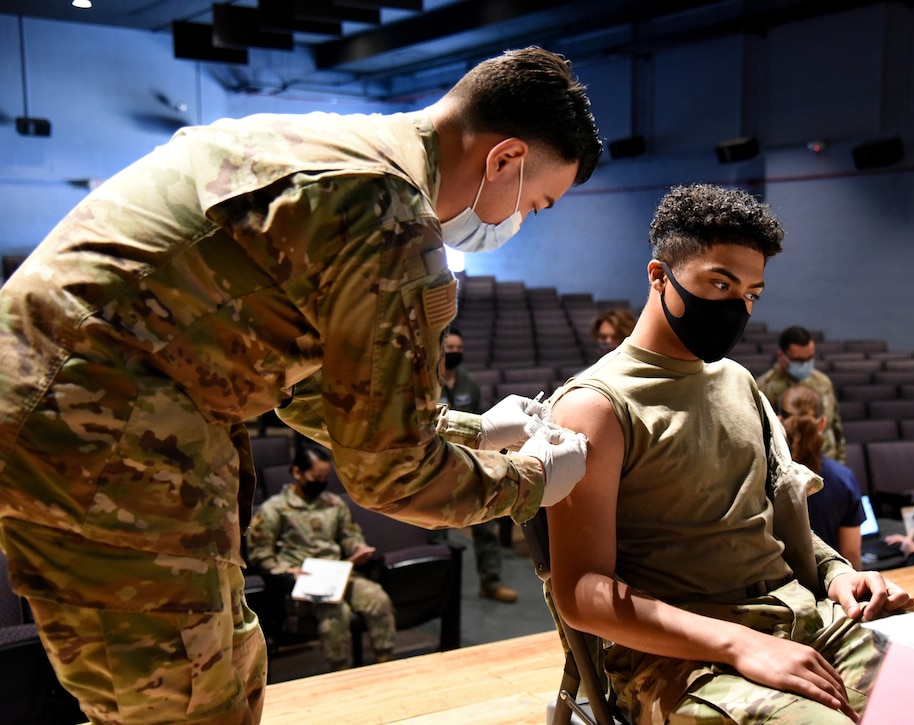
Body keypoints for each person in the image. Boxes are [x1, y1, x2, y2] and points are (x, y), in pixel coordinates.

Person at [0, 46, 598, 724]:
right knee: (187, 700)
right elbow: (390, 476)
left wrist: (477, 429)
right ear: (504, 160)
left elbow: (312, 387)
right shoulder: (392, 214)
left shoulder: (327, 143)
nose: (522, 220)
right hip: (101, 426)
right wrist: (530, 480)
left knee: (210, 665)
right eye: (538, 203)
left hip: (86, 401)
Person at [547, 184, 914, 725]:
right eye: (719, 283)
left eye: (751, 293)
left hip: (800, 619)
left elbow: (767, 521)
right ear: (659, 276)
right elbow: (581, 593)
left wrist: (837, 574)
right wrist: (738, 644)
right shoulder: (595, 406)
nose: (736, 307)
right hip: (681, 654)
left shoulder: (739, 381)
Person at [247, 445, 396, 669]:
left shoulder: (334, 503)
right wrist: (288, 571)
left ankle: (385, 663)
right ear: (297, 473)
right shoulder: (274, 510)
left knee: (377, 598)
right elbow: (260, 554)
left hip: (338, 573)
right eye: (316, 477)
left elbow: (349, 535)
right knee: (336, 612)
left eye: (325, 477)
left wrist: (358, 548)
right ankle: (340, 673)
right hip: (303, 581)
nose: (321, 482)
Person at [438, 326, 517, 603]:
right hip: (435, 466)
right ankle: (441, 593)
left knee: (485, 523)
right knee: (438, 531)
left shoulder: (468, 383)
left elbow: (480, 424)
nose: (455, 353)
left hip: (469, 462)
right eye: (450, 349)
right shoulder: (425, 382)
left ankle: (491, 582)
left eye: (459, 349)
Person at [780, 386, 865, 569]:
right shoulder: (843, 479)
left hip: (782, 592)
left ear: (779, 421)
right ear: (822, 423)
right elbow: (851, 553)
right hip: (832, 587)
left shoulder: (765, 477)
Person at [757, 326, 846, 463]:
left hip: (826, 463)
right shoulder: (764, 388)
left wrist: (840, 463)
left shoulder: (823, 383)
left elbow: (835, 427)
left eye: (809, 358)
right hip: (787, 469)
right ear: (781, 357)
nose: (805, 365)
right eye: (799, 361)